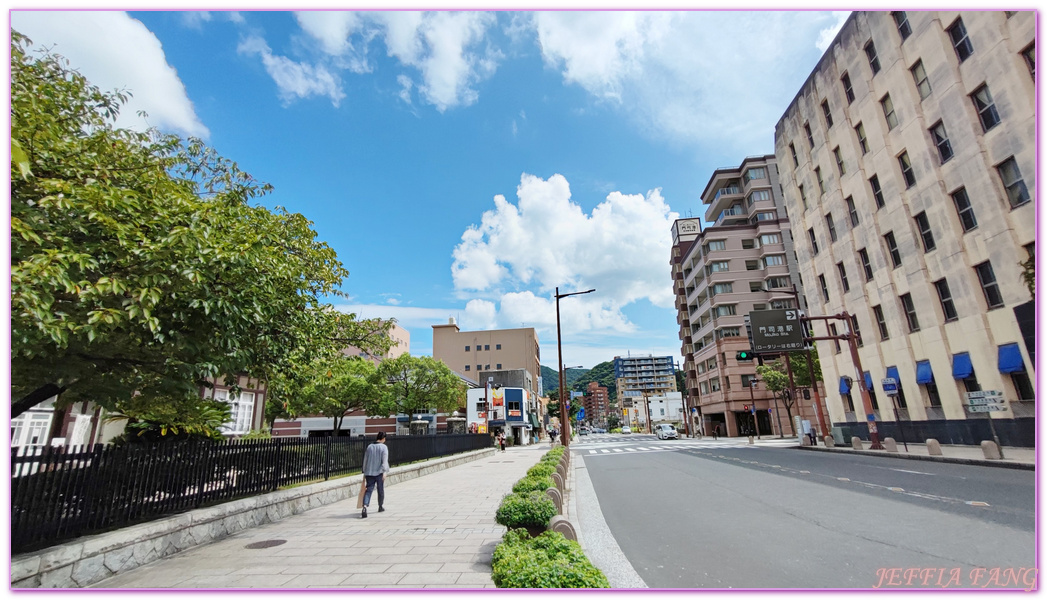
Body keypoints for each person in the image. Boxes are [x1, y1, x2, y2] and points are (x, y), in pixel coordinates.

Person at [361, 431, 389, 518]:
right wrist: (385, 472)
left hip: (369, 472)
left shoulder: (369, 447)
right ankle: (380, 506)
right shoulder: (384, 447)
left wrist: (364, 471)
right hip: (379, 472)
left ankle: (365, 506)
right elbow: (384, 460)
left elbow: (365, 459)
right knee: (380, 490)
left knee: (368, 490)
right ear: (383, 438)